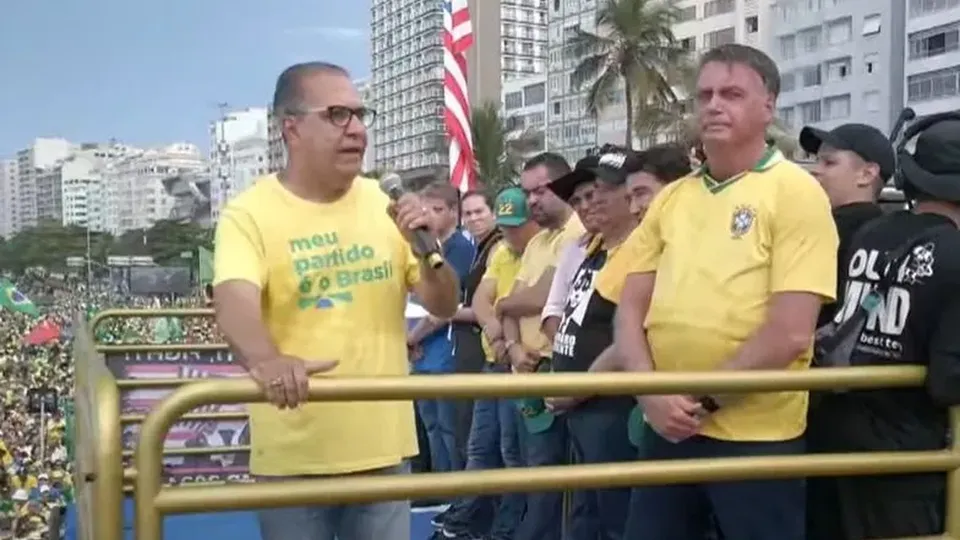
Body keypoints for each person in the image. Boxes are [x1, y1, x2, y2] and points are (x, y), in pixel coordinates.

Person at [212, 61, 460, 540]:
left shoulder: (385, 205)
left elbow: (444, 304)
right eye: (338, 115)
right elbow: (234, 301)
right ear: (291, 128)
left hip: (383, 451)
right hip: (294, 457)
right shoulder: (248, 214)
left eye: (361, 115)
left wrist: (427, 253)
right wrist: (267, 360)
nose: (357, 131)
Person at [611, 44, 838, 540]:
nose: (714, 105)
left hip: (755, 438)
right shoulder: (672, 198)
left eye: (732, 93)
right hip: (666, 428)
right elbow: (630, 309)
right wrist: (651, 397)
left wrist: (696, 399)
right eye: (706, 94)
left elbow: (791, 332)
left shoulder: (796, 193)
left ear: (768, 106)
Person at [807, 115, 960, 538]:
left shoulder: (868, 234)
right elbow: (950, 380)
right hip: (903, 458)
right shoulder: (954, 253)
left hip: (832, 436)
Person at [540, 146, 644, 540]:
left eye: (598, 191)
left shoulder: (640, 253)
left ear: (629, 194)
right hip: (578, 407)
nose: (587, 203)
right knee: (585, 516)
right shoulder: (588, 250)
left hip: (612, 406)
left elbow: (631, 337)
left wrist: (578, 390)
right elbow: (564, 315)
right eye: (579, 198)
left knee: (617, 517)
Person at [439, 186, 539, 540]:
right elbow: (485, 299)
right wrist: (500, 334)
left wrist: (505, 330)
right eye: (470, 213)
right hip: (493, 362)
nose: (510, 232)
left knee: (512, 455)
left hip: (523, 368)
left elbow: (523, 301)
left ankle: (500, 529)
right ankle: (466, 522)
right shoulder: (500, 253)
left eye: (481, 212)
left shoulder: (540, 250)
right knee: (480, 448)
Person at [499, 153, 585, 540]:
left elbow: (543, 297)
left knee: (556, 481)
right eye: (527, 193)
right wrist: (514, 346)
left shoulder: (579, 232)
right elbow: (513, 303)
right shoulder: (536, 243)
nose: (532, 200)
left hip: (559, 371)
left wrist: (507, 305)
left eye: (540, 191)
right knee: (532, 470)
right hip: (527, 371)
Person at [408, 182, 476, 474]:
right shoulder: (426, 247)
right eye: (425, 210)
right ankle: (438, 485)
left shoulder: (459, 248)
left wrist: (412, 338)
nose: (430, 217)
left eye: (437, 210)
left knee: (450, 429)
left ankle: (453, 489)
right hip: (424, 356)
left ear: (453, 212)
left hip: (445, 352)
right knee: (432, 427)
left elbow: (446, 308)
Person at [799, 123, 892, 326]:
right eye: (816, 161)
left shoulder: (823, 230)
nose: (815, 171)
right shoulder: (893, 234)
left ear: (867, 174)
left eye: (829, 162)